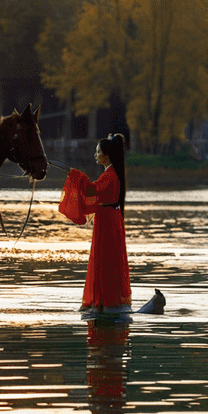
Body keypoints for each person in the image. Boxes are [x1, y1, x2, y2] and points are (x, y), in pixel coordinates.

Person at [58, 134, 131, 315]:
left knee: (105, 260)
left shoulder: (110, 175)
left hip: (108, 221)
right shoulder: (110, 173)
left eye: (97, 151)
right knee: (103, 259)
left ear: (105, 156)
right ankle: (103, 301)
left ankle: (105, 302)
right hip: (107, 219)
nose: (95, 154)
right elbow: (95, 193)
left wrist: (75, 175)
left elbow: (91, 190)